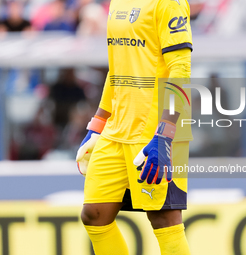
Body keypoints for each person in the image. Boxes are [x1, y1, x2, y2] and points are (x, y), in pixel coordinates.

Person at [76, 0, 193, 254]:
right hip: (116, 130)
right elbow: (117, 68)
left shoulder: (168, 3)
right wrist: (97, 125)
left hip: (157, 130)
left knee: (164, 220)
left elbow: (181, 70)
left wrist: (165, 134)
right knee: (94, 215)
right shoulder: (118, 2)